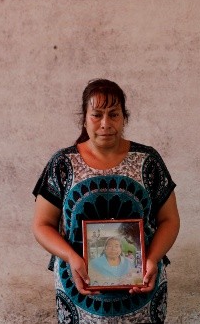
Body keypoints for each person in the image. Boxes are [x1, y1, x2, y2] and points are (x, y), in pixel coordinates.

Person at [32, 78, 180, 323]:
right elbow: (42, 225)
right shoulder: (63, 164)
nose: (105, 123)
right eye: (96, 115)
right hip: (78, 289)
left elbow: (169, 220)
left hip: (141, 287)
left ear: (124, 118)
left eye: (113, 114)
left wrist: (153, 259)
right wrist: (72, 258)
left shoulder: (148, 161)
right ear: (84, 118)